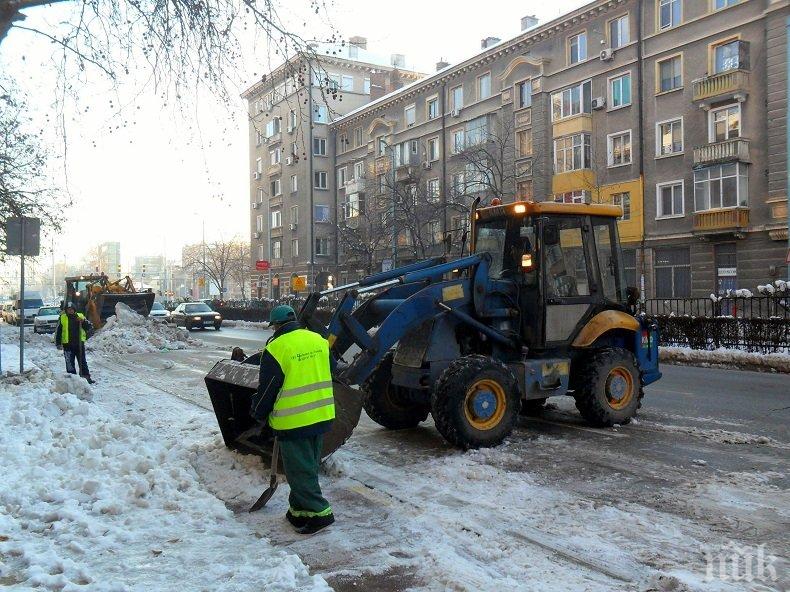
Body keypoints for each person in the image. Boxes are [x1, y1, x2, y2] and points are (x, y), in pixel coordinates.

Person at [250, 304, 335, 534]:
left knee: (299, 472)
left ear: (275, 326)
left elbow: (267, 389)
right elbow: (333, 368)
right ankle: (299, 510)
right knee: (306, 466)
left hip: (294, 420)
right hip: (322, 415)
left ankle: (320, 513)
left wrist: (257, 412)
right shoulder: (318, 340)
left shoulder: (277, 348)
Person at [55, 303, 95, 384]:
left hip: (79, 344)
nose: (70, 311)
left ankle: (86, 378)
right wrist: (58, 343)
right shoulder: (62, 318)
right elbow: (58, 331)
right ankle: (72, 379)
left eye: (71, 309)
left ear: (74, 309)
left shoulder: (80, 316)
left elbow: (89, 327)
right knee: (69, 362)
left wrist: (83, 321)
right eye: (68, 309)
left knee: (82, 361)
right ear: (66, 310)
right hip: (67, 345)